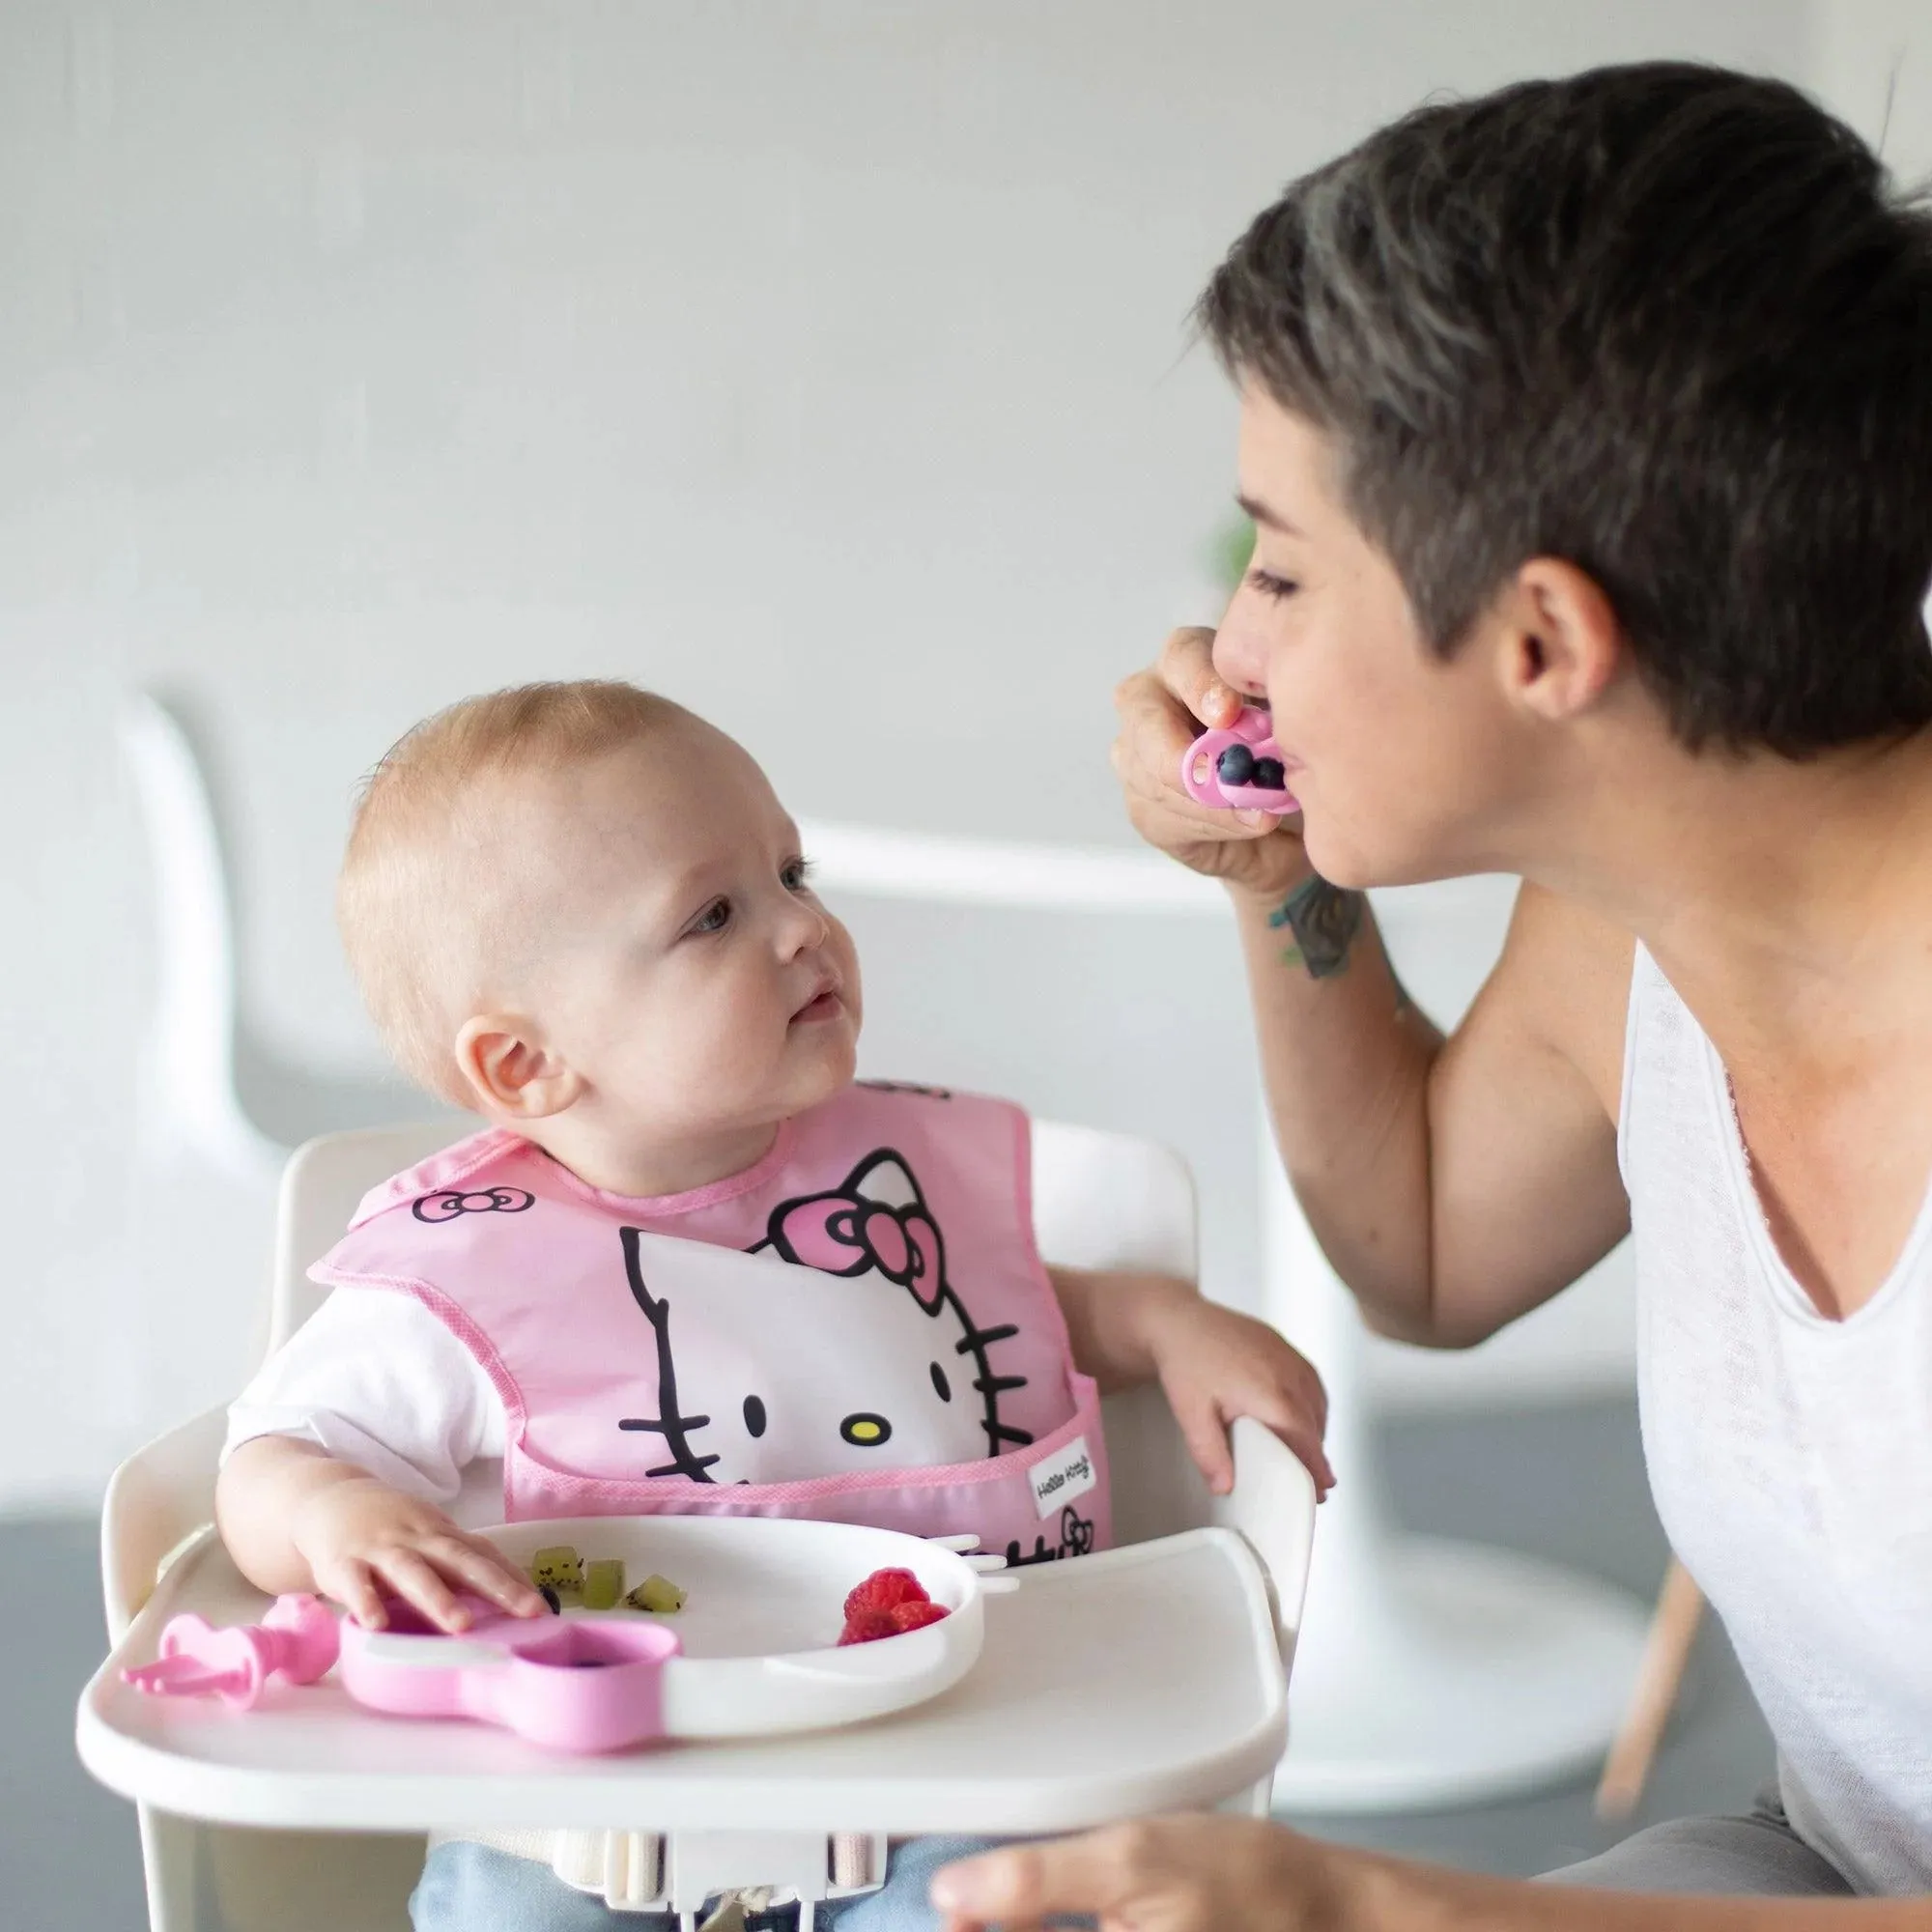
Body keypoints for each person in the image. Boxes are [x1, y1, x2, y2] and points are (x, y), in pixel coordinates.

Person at [932, 57, 1932, 1932]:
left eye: (1284, 572)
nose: (1231, 648)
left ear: (1546, 640)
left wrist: (1384, 1907)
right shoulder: (1642, 912)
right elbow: (1426, 1249)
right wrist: (1276, 877)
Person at [213, 679, 1333, 1931]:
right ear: (524, 1062)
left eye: (794, 873)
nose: (803, 929)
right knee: (500, 1908)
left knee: (992, 1906)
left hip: (938, 1756)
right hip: (591, 1800)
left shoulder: (882, 1177)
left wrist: (1155, 1321)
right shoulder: (468, 1278)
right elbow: (271, 1456)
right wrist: (333, 1514)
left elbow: (989, 1314)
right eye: (713, 916)